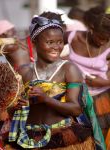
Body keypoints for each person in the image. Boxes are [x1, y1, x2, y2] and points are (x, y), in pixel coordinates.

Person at [6, 15, 106, 150]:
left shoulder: (68, 69)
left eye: (59, 42)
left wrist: (46, 99)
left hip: (60, 137)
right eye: (50, 42)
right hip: (28, 137)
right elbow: (10, 109)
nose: (56, 47)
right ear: (34, 41)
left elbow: (76, 109)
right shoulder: (24, 71)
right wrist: (17, 106)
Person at [64, 6, 110, 149]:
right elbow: (50, 42)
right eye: (100, 37)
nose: (102, 42)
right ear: (91, 29)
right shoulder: (72, 36)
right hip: (75, 95)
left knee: (100, 138)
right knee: (77, 137)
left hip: (101, 98)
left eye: (107, 39)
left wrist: (103, 81)